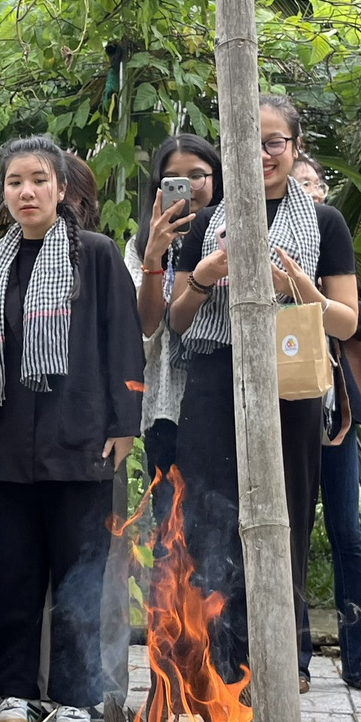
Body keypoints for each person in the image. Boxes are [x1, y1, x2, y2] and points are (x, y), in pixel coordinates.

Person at [168, 95, 360, 690]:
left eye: (273, 141)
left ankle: (274, 667)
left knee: (285, 523)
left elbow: (347, 322)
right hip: (212, 382)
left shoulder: (325, 224)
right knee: (207, 525)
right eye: (247, 141)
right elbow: (175, 320)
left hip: (289, 384)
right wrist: (205, 276)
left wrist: (294, 283)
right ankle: (210, 672)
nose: (261, 153)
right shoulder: (207, 221)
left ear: (294, 147)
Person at [0, 136, 145, 722]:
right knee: (15, 574)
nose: (27, 192)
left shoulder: (94, 255)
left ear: (61, 189)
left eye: (39, 180)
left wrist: (125, 423)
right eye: (15, 181)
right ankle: (15, 691)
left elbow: (124, 338)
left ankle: (75, 696)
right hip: (12, 442)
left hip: (82, 438)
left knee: (81, 576)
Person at [292, 154, 361, 697]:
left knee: (347, 534)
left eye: (313, 183)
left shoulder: (334, 244)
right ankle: (297, 659)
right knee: (292, 533)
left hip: (336, 413)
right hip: (287, 409)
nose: (305, 191)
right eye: (297, 184)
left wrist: (311, 285)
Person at [128, 134, 220, 511]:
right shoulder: (141, 245)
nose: (188, 189)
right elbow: (147, 325)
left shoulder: (235, 235)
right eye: (173, 180)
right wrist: (154, 256)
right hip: (167, 400)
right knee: (170, 525)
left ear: (217, 179)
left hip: (221, 393)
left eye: (197, 176)